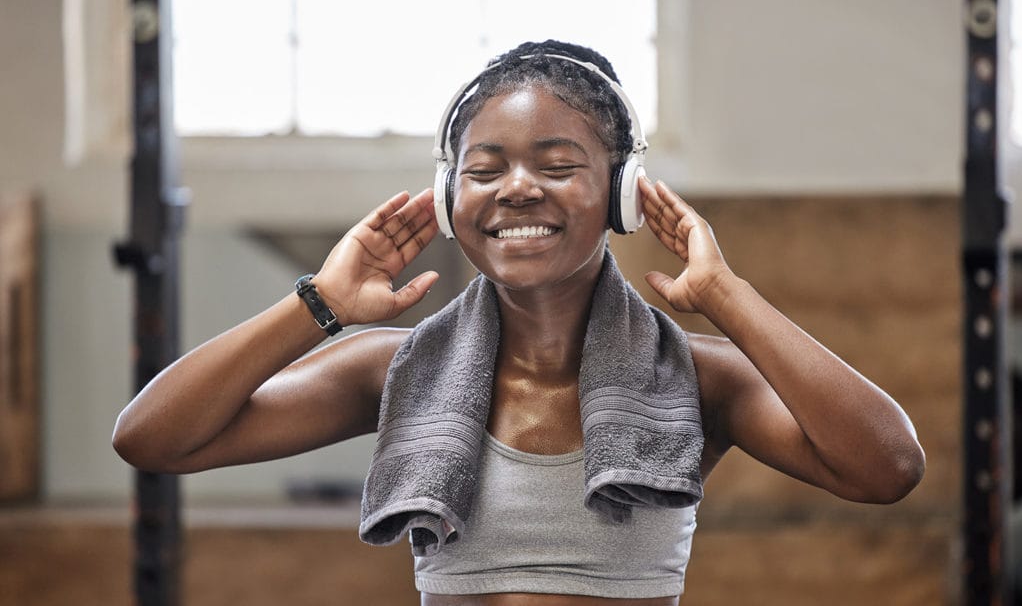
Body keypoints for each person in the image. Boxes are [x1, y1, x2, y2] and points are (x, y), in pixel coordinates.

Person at [113, 40, 925, 605]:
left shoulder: (697, 375)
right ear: (447, 198)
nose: (517, 189)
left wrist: (729, 297)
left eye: (559, 165)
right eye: (485, 169)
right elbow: (151, 436)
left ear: (623, 194)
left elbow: (886, 467)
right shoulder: (395, 369)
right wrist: (318, 305)